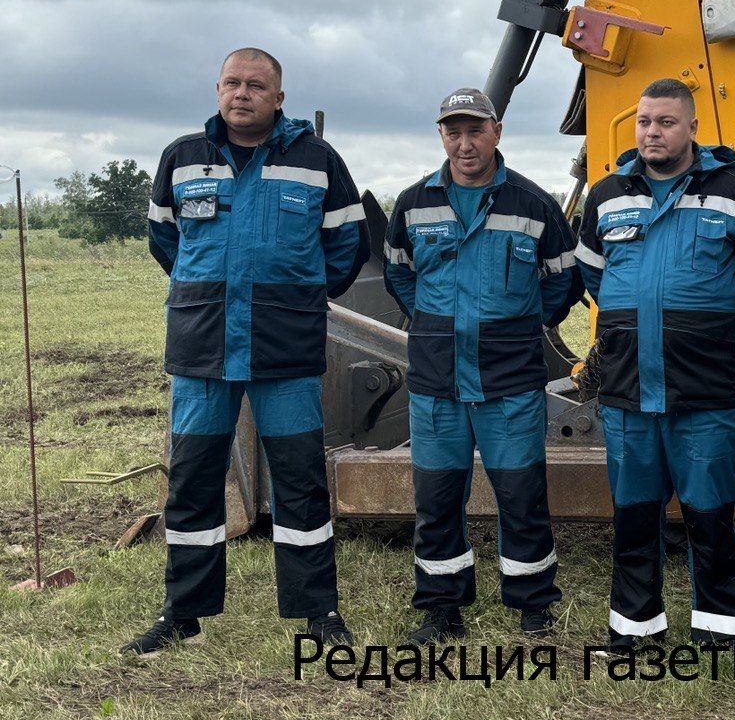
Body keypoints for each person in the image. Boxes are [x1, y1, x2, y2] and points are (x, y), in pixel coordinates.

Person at [127, 47, 370, 657]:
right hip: (203, 346)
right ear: (216, 90)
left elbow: (345, 247)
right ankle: (183, 612)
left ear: (279, 98)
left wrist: (297, 297)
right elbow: (167, 241)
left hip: (284, 347)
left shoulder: (316, 161)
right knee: (192, 482)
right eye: (233, 83)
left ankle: (317, 611)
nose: (243, 94)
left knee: (301, 482)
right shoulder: (182, 159)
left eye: (257, 86)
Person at [383, 88, 581, 644]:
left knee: (521, 494)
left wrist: (514, 327)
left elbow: (562, 280)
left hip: (509, 376)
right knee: (438, 497)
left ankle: (533, 602)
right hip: (437, 378)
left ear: (497, 132)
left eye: (476, 130)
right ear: (441, 136)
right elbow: (400, 273)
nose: (465, 143)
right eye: (454, 132)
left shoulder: (533, 203)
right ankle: (441, 606)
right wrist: (433, 321)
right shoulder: (413, 203)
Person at [574, 78, 735, 652]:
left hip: (702, 391)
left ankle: (724, 634)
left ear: (694, 129)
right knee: (633, 519)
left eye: (666, 122)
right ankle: (634, 635)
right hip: (630, 392)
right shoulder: (605, 196)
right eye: (645, 122)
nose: (653, 132)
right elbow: (594, 275)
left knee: (710, 516)